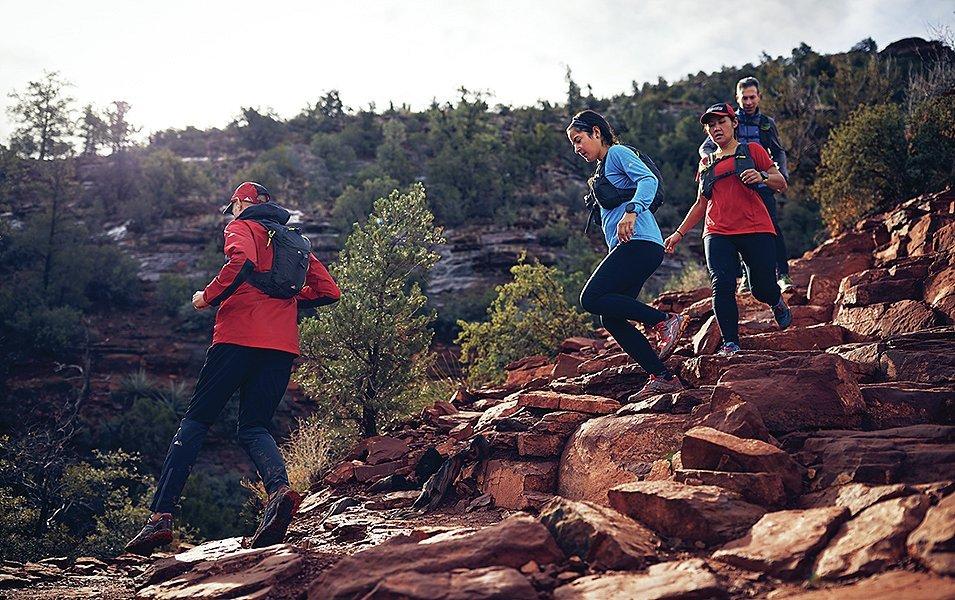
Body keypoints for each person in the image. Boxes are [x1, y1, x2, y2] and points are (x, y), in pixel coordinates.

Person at [124, 182, 341, 555]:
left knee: (195, 423)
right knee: (255, 426)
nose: (232, 211)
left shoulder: (242, 227)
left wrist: (206, 297)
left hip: (236, 339)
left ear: (241, 203)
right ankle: (278, 492)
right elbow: (329, 292)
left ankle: (160, 518)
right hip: (280, 347)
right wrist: (284, 298)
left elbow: (240, 263)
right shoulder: (295, 241)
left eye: (234, 206)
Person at [567, 110, 687, 400]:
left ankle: (663, 320)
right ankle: (662, 377)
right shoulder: (600, 171)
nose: (577, 148)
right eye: (572, 144)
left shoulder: (618, 153)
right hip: (632, 248)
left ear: (597, 132)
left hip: (641, 243)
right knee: (611, 319)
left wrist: (632, 212)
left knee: (590, 298)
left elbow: (648, 180)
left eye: (579, 139)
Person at [666, 103, 792, 356]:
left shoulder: (753, 150)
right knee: (721, 284)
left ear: (734, 124)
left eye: (721, 122)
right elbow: (701, 203)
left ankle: (775, 300)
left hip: (755, 227)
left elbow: (781, 183)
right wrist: (678, 233)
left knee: (761, 287)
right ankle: (730, 343)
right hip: (717, 231)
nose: (716, 128)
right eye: (711, 125)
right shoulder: (705, 163)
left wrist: (762, 177)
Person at [699, 76, 793, 292]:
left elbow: (778, 150)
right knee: (736, 230)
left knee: (773, 227)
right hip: (736, 184)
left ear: (759, 97)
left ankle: (783, 274)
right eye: (744, 98)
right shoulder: (727, 120)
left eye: (752, 97)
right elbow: (705, 148)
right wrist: (714, 162)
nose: (749, 102)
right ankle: (744, 278)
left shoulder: (767, 123)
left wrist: (781, 174)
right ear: (737, 98)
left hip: (762, 181)